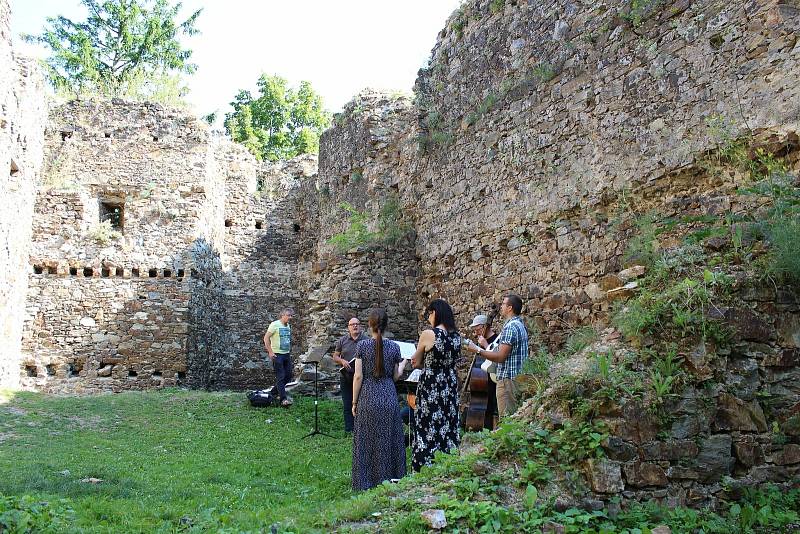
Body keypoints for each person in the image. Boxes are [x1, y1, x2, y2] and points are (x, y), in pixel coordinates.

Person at [351, 308, 408, 490]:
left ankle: (365, 481)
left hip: (367, 397)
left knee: (366, 440)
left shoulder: (362, 346)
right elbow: (395, 376)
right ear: (386, 326)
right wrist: (403, 364)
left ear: (370, 325)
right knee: (389, 439)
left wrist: (354, 402)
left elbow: (358, 376)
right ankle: (390, 478)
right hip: (388, 396)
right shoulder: (394, 347)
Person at [410, 298, 462, 471]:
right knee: (448, 423)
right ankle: (448, 462)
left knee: (427, 424)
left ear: (435, 313)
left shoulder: (429, 334)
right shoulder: (456, 336)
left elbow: (416, 362)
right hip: (450, 383)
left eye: (430, 314)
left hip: (432, 384)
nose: (429, 318)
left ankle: (425, 466)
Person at [466, 294, 528, 418]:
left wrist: (477, 349)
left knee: (506, 421)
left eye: (504, 304)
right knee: (514, 420)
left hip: (507, 380)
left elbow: (500, 357)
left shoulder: (510, 328)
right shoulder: (520, 325)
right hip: (516, 378)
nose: (501, 307)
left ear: (510, 307)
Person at [331, 317, 367, 432]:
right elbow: (335, 356)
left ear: (360, 326)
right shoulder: (342, 340)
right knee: (347, 403)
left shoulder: (366, 340)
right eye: (352, 325)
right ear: (348, 327)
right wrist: (342, 361)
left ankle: (361, 428)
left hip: (361, 377)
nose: (355, 326)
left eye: (357, 324)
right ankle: (349, 429)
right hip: (346, 377)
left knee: (362, 403)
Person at [468, 313, 499, 427]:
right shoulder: (480, 340)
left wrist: (485, 345)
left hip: (492, 380)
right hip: (482, 382)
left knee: (492, 408)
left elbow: (497, 358)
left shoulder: (497, 339)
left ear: (484, 327)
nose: (475, 333)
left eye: (477, 329)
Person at [264, 308, 294, 407]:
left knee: (288, 376)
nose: (290, 317)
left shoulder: (288, 325)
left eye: (291, 315)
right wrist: (270, 352)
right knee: (281, 377)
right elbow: (266, 338)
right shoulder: (274, 325)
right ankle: (283, 399)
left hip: (286, 354)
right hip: (277, 355)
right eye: (289, 315)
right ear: (282, 315)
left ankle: (273, 392)